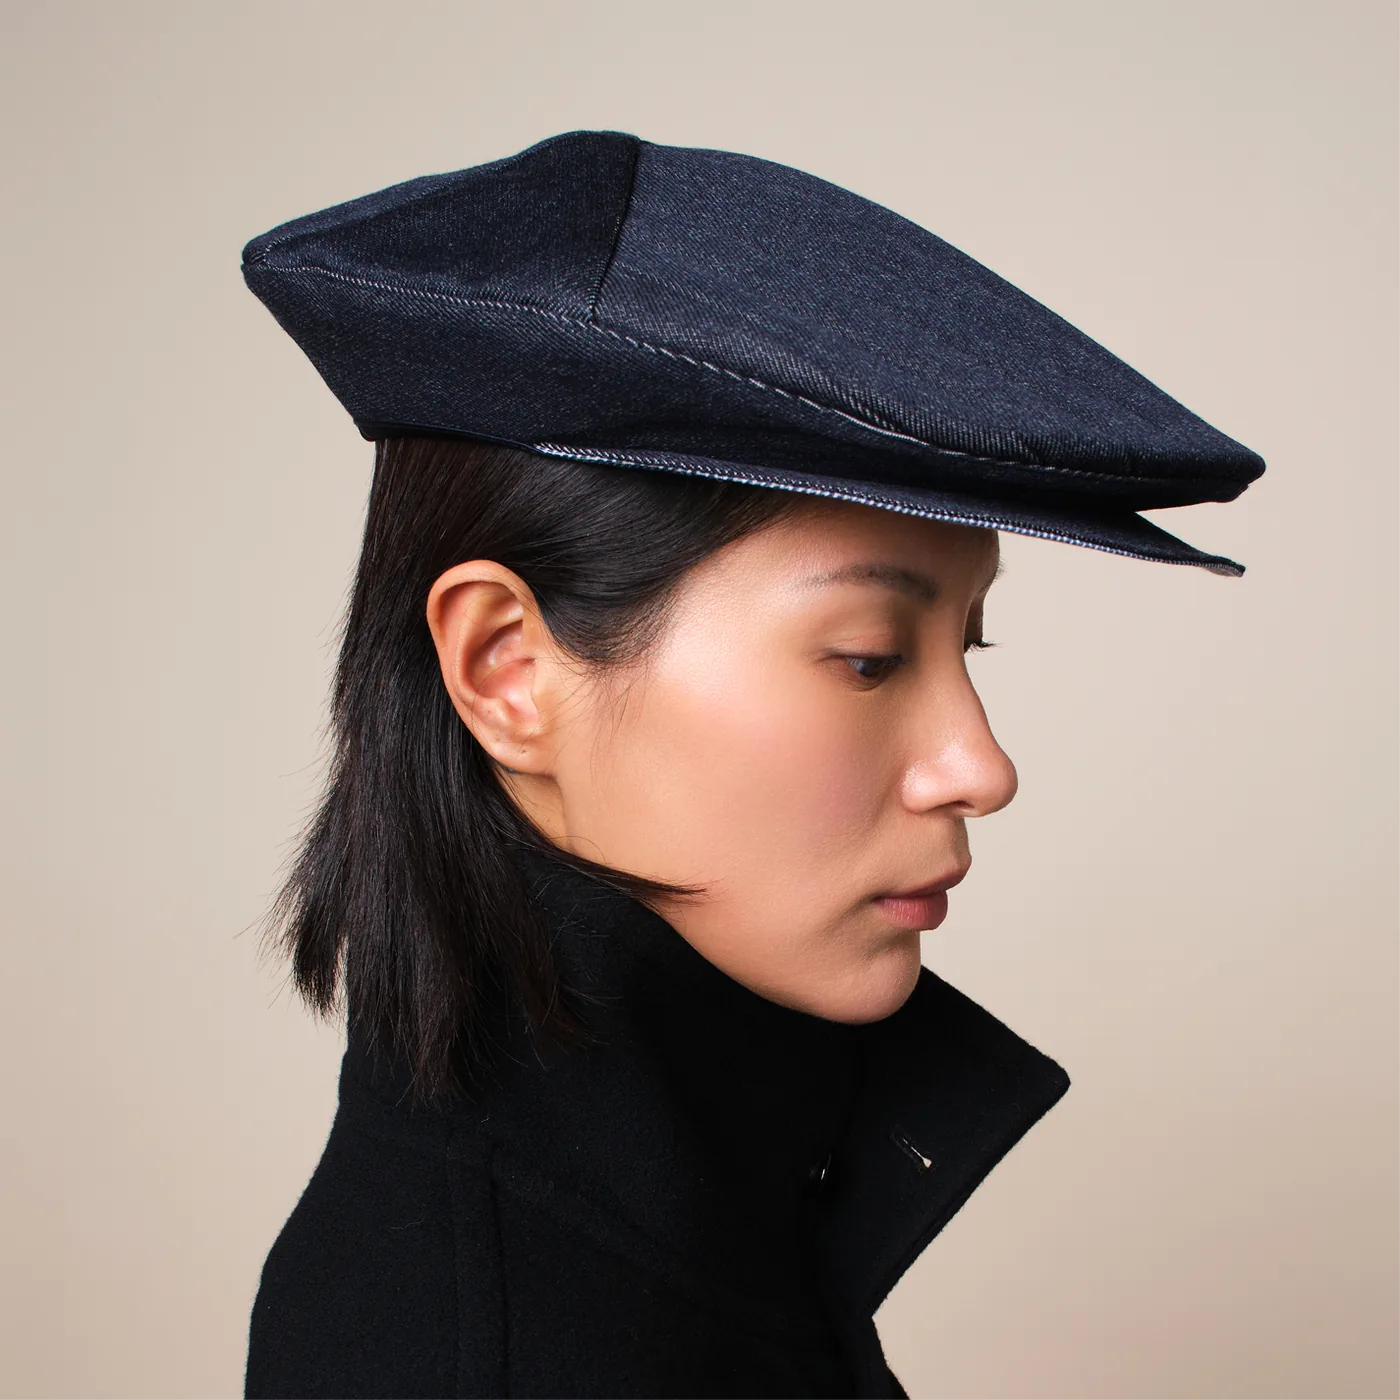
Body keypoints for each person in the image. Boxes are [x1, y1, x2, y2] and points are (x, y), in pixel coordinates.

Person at [238, 131, 1264, 1399]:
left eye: (968, 642)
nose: (979, 766)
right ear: (509, 669)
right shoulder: (485, 1350)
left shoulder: (675, 1227)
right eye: (868, 656)